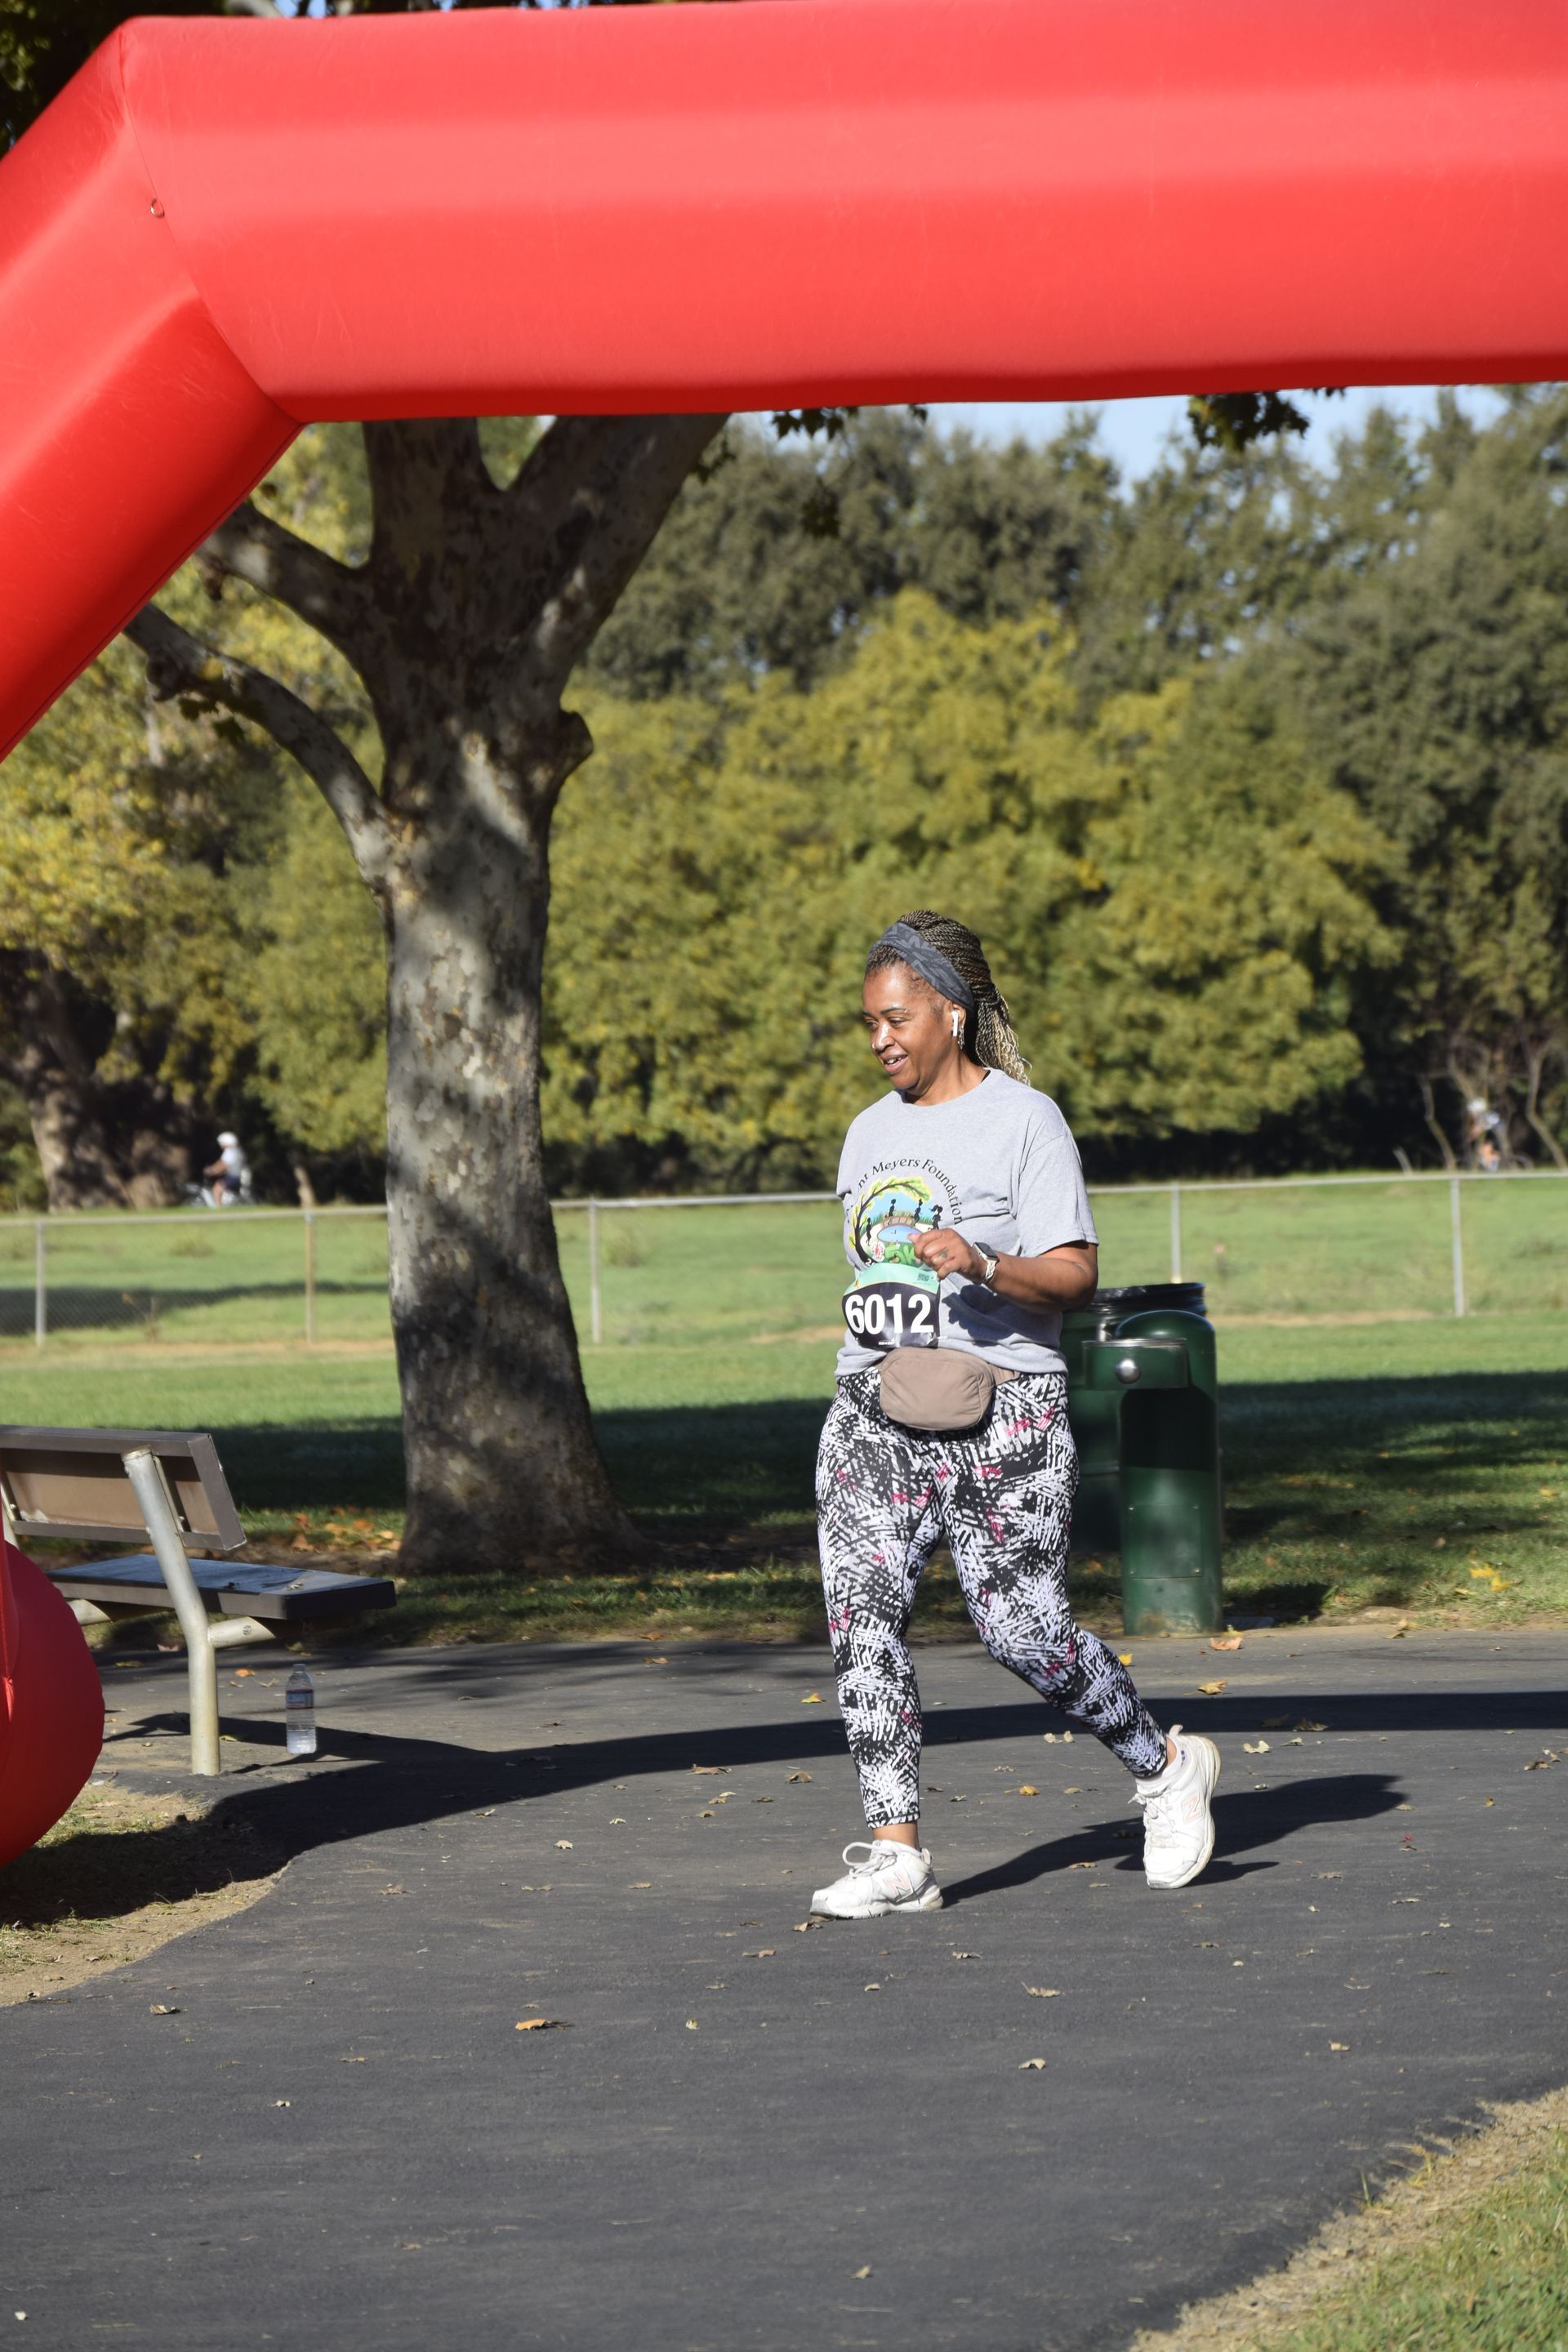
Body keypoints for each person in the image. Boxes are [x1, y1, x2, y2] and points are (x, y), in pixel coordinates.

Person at [810, 910, 1220, 1920]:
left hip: (1008, 1413)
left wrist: (983, 1261)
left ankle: (1163, 1765)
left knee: (1021, 1628)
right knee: (861, 1619)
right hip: (874, 1403)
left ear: (950, 1012)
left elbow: (1077, 1275)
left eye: (897, 1018)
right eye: (868, 1022)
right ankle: (897, 1851)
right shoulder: (869, 1132)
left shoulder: (1025, 1121)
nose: (880, 1039)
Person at [202, 1130, 250, 1208]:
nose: (221, 1146)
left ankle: (218, 1207)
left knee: (216, 1189)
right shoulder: (238, 1150)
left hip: (233, 1177)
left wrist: (212, 1170)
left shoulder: (229, 1151)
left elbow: (222, 1164)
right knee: (221, 1186)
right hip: (238, 1176)